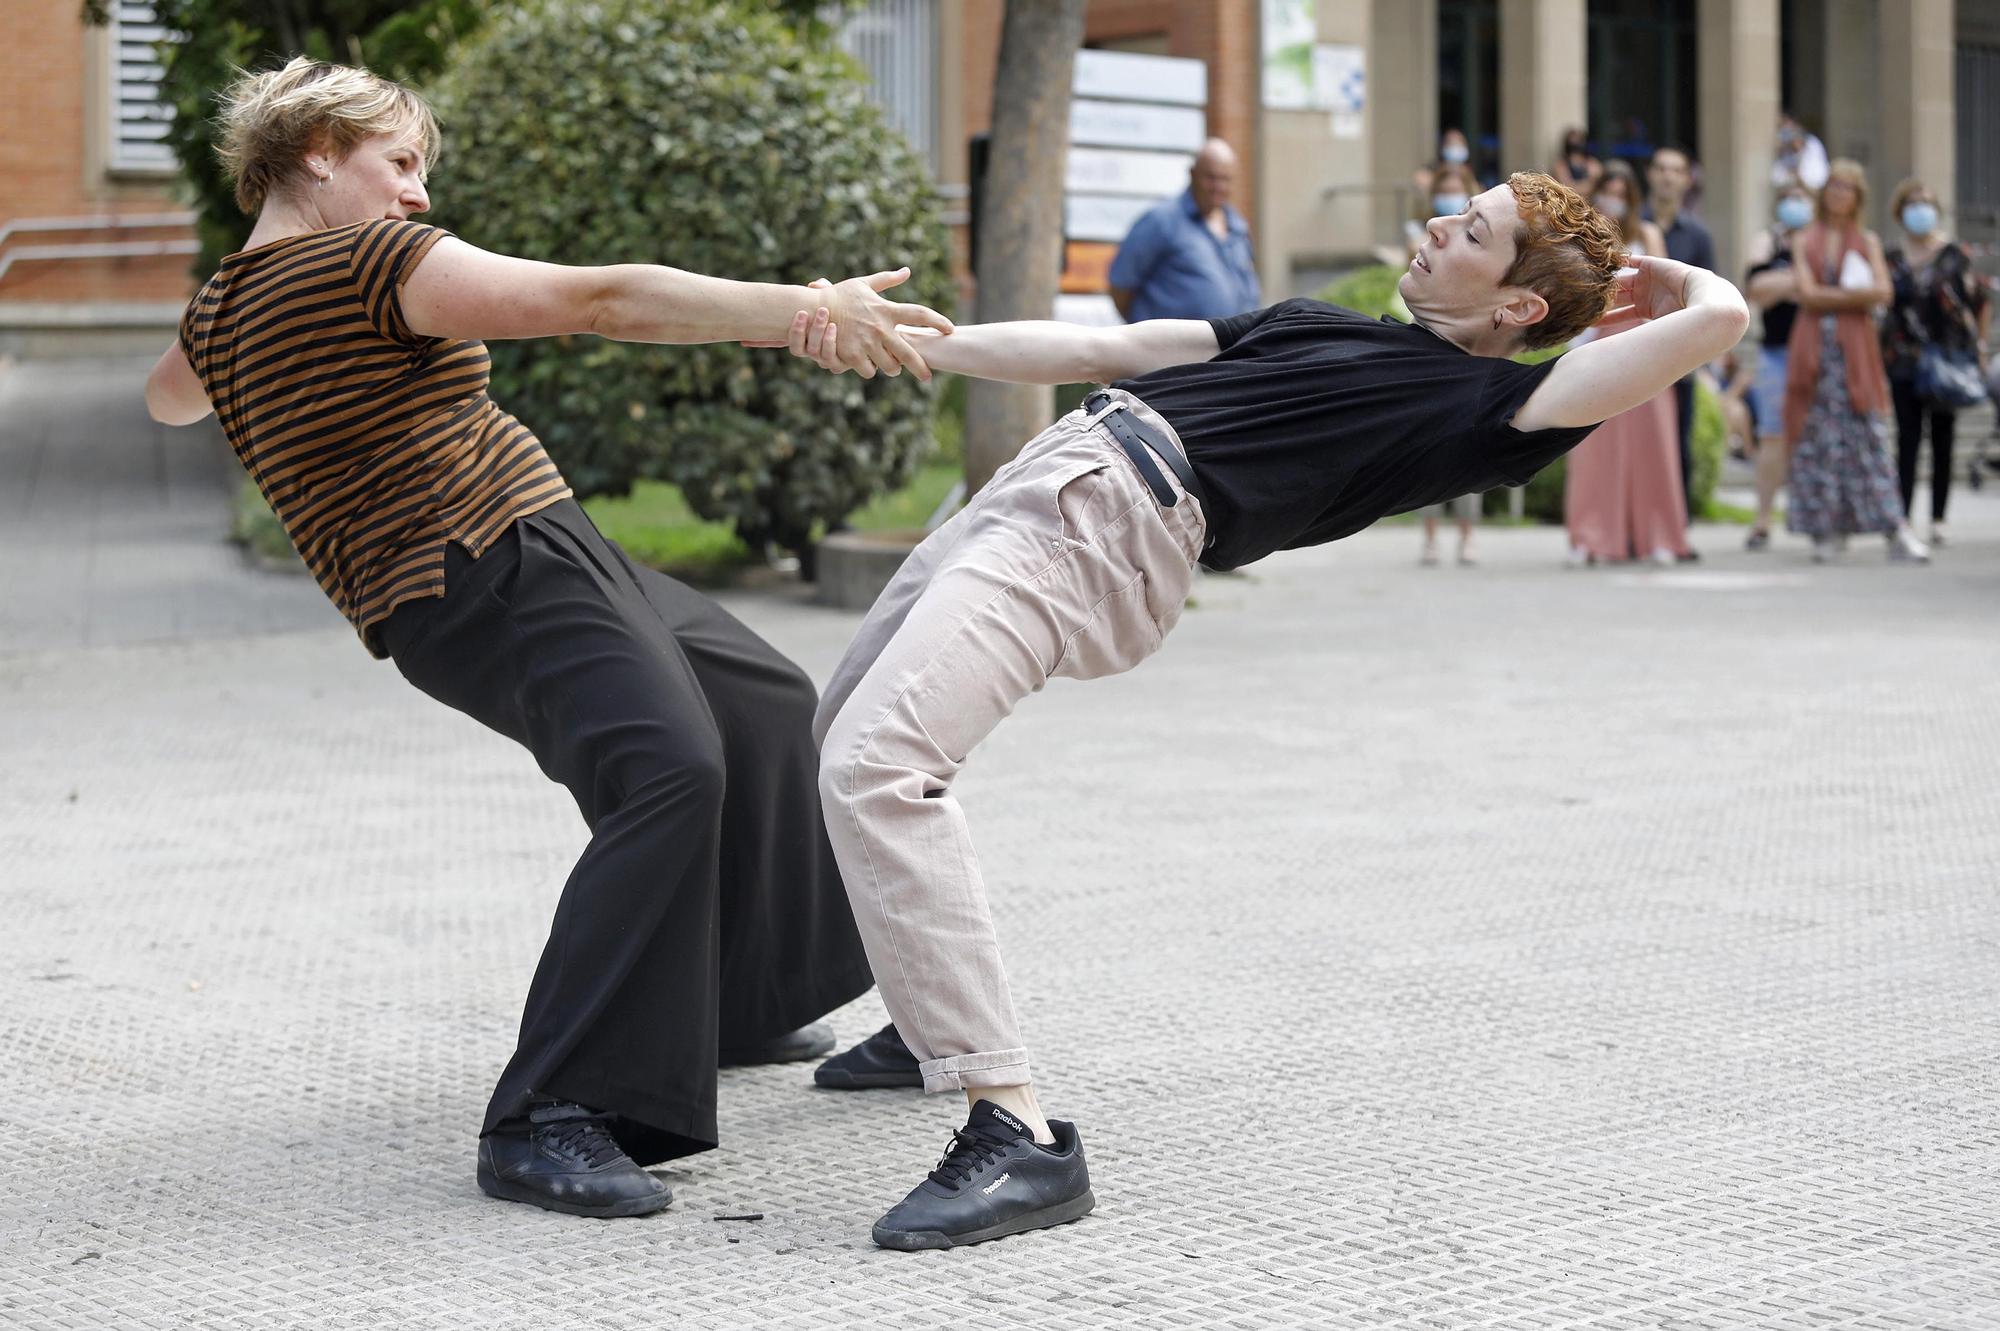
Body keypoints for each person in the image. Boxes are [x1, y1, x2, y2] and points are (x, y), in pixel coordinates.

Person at [782, 173, 1747, 1249]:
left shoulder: (1490, 410)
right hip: (1043, 475)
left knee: (877, 764)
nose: (1434, 225)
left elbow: (1717, 320)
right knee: (841, 731)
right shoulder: (1314, 321)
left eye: (1472, 231)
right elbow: (1109, 347)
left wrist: (1666, 279)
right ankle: (932, 1016)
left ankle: (1010, 1128)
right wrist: (913, 340)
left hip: (1103, 527)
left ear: (1517, 305)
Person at [142, 58, 953, 1219]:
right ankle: (548, 1111)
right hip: (482, 555)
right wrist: (807, 310)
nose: (418, 194)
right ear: (315, 149)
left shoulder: (220, 305)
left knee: (764, 701)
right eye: (401, 161)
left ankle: (738, 997)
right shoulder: (372, 259)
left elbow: (169, 395)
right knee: (666, 771)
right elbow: (600, 298)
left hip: (518, 546)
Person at [1782, 160, 1930, 563]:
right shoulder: (1805, 239)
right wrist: (1851, 297)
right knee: (1818, 439)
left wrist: (1830, 296)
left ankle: (1894, 529)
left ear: (1858, 196)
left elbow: (1882, 291)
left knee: (1869, 440)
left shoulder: (1867, 241)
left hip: (1855, 353)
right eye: (1833, 185)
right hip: (1815, 351)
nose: (1839, 194)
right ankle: (1825, 528)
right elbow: (1807, 294)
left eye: (1847, 187)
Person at [1563, 161, 1690, 565]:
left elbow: (1672, 291)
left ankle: (1657, 536)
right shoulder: (1582, 240)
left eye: (1621, 192)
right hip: (1599, 343)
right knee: (1595, 443)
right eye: (1607, 190)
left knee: (1653, 443)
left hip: (1648, 343)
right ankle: (1593, 536)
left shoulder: (1648, 234)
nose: (1613, 199)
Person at [1881, 178, 1992, 546]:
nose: (1920, 210)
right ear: (1900, 212)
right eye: (1913, 204)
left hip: (1947, 356)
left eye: (1927, 203)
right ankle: (1903, 519)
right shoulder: (1891, 256)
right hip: (1902, 358)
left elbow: (1978, 301)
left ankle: (1939, 517)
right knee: (1908, 440)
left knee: (1943, 438)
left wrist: (1979, 347)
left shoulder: (1954, 254)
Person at [1107, 138, 1259, 323]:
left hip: (1233, 349)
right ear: (1193, 174)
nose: (1218, 187)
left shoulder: (1238, 227)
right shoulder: (1161, 221)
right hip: (1169, 349)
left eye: (1225, 179)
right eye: (1211, 178)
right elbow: (1121, 285)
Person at [1645, 144, 1717, 529]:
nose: (1668, 176)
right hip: (1634, 346)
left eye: (1676, 170)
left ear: (1687, 180)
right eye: (1661, 168)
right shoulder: (1629, 223)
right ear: (1651, 175)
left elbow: (1711, 295)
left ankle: (1677, 528)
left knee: (1678, 440)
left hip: (1679, 351)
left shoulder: (1698, 236)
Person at [1741, 178, 1815, 549]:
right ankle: (1763, 519)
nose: (1795, 204)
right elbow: (1756, 291)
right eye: (1788, 197)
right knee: (1773, 435)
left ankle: (1818, 516)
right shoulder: (1766, 241)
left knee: (1821, 435)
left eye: (1801, 197)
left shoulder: (1824, 239)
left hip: (1820, 352)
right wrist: (1801, 281)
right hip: (1777, 353)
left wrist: (1786, 284)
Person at [1774, 112, 1831, 192]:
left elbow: (1817, 180)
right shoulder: (1782, 153)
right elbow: (1777, 179)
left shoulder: (1812, 144)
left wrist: (1799, 178)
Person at [1550, 126, 1602, 198]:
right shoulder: (1561, 164)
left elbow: (1596, 183)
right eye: (1572, 146)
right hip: (1568, 200)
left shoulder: (1591, 162)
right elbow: (1566, 186)